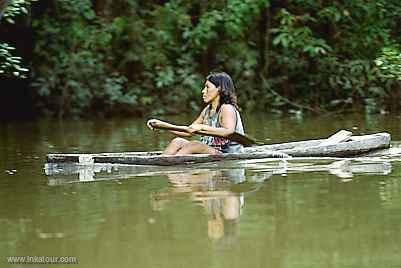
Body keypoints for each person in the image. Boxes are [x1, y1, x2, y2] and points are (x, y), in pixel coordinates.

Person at [147, 72, 245, 155]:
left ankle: (170, 162)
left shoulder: (227, 108)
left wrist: (202, 128)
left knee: (195, 144)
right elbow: (189, 131)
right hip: (211, 150)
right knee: (177, 141)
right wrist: (163, 126)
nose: (203, 91)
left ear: (219, 89)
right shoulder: (207, 110)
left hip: (227, 154)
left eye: (207, 87)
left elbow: (228, 132)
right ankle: (162, 162)